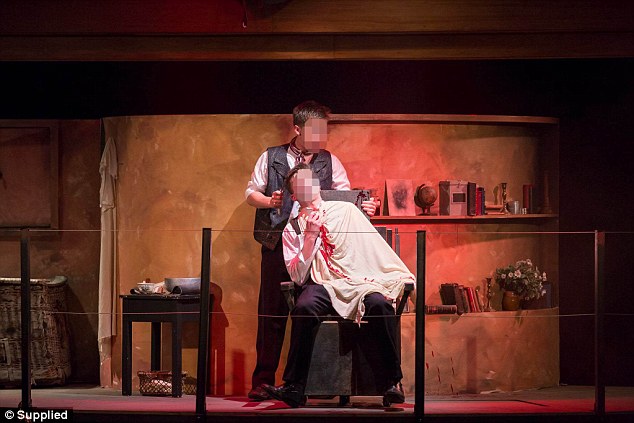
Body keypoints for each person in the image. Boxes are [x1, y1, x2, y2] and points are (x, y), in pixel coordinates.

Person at [245, 101, 376, 400]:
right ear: (297, 129)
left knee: (309, 310)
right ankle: (263, 381)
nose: (321, 138)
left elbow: (344, 197)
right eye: (315, 131)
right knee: (271, 314)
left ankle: (307, 383)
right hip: (276, 243)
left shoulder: (330, 161)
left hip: (317, 248)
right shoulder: (271, 156)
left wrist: (365, 205)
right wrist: (270, 202)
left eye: (324, 132)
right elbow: (251, 192)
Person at [262, 163, 415, 407]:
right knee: (303, 308)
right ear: (294, 196)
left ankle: (391, 383)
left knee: (379, 305)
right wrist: (310, 236)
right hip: (321, 283)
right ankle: (295, 387)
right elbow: (298, 277)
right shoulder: (292, 229)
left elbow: (367, 249)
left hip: (357, 280)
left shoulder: (346, 211)